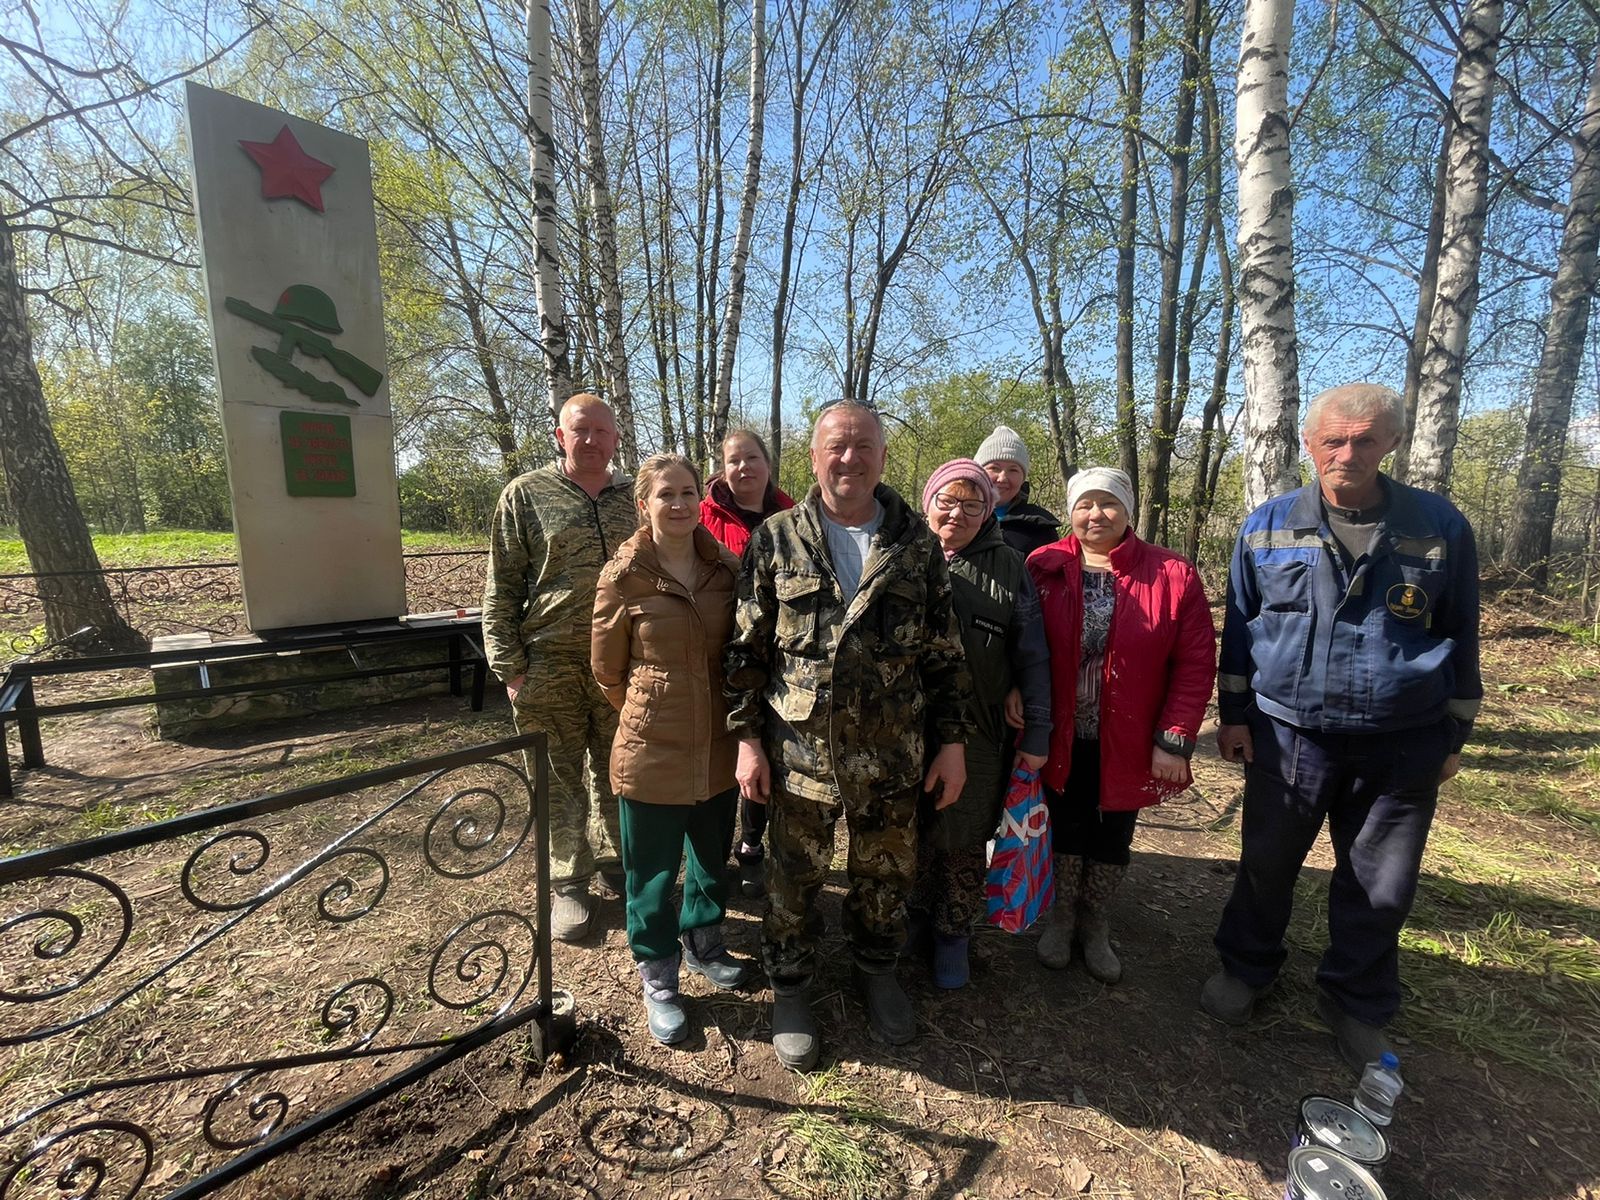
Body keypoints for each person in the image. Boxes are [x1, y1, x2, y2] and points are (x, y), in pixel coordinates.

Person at [1203, 383, 1482, 1072]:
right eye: (1334, 440)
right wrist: (1232, 715)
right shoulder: (1268, 525)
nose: (1347, 453)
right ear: (1309, 443)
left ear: (1391, 443)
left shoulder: (1438, 529)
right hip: (1288, 734)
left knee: (1379, 882)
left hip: (1402, 739)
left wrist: (1452, 736)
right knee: (1267, 862)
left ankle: (1356, 1000)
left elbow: (1462, 634)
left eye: (1364, 439)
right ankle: (1247, 968)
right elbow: (1239, 629)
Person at [724, 399, 971, 1071]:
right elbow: (745, 651)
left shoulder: (915, 544)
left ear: (883, 458)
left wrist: (952, 742)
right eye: (837, 445)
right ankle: (793, 986)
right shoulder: (775, 539)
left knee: (884, 871)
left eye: (864, 446)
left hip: (893, 752)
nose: (850, 458)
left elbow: (943, 653)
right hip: (798, 751)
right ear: (814, 456)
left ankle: (877, 969)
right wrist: (746, 740)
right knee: (791, 876)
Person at [1027, 467, 1215, 983]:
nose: (1095, 514)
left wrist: (1174, 739)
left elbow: (1195, 661)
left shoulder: (1172, 574)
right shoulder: (1043, 566)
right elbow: (1020, 648)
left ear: (1128, 511)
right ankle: (1062, 916)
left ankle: (1096, 922)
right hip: (1062, 731)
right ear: (1070, 511)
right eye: (1084, 504)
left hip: (1130, 736)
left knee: (1113, 831)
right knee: (1065, 823)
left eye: (1108, 503)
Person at [592, 453, 755, 1044]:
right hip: (650, 750)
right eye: (667, 494)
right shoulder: (623, 576)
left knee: (712, 861)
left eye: (689, 492)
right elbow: (608, 672)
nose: (680, 504)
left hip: (717, 747)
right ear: (645, 505)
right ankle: (659, 978)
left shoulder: (727, 571)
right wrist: (655, 711)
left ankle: (705, 941)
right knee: (652, 876)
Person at [483, 394, 636, 943]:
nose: (592, 440)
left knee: (618, 766)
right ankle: (569, 881)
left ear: (616, 437)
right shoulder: (526, 495)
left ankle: (619, 860)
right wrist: (510, 670)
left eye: (603, 430)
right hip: (548, 663)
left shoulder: (632, 498)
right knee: (556, 773)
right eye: (581, 430)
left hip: (620, 663)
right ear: (559, 436)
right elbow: (501, 585)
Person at [909, 459, 1051, 989]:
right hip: (906, 725)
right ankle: (915, 920)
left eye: (972, 504)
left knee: (964, 833)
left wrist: (1036, 732)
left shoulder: (1010, 566)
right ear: (929, 504)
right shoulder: (901, 555)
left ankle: (953, 933)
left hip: (981, 731)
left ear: (988, 510)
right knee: (913, 829)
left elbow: (1033, 655)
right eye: (948, 501)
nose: (958, 513)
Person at [699, 428, 796, 898]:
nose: (744, 468)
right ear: (722, 466)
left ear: (768, 464)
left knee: (774, 749)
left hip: (782, 654)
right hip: (718, 651)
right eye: (734, 460)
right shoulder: (701, 517)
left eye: (752, 458)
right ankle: (722, 856)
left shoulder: (795, 516)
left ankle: (761, 844)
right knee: (733, 752)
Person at [975, 425, 1061, 556]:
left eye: (1013, 470)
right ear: (978, 473)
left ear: (1023, 479)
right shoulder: (955, 516)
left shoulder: (1040, 527)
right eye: (995, 468)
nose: (1002, 478)